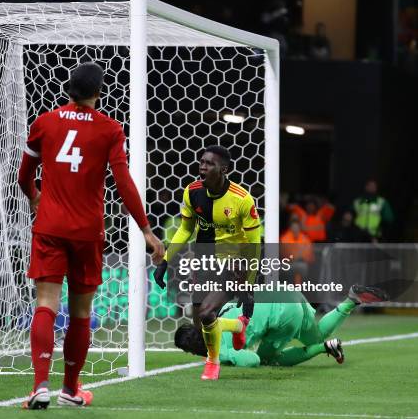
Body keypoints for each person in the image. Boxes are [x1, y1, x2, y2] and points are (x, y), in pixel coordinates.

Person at [17, 62, 164, 409]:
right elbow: (124, 183)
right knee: (81, 311)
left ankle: (40, 385)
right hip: (87, 232)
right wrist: (146, 230)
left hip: (50, 228)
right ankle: (70, 389)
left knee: (46, 303)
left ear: (69, 89)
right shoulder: (109, 130)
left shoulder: (45, 122)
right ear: (99, 92)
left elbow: (24, 176)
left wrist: (37, 198)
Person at [152, 145, 261, 380]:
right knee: (201, 322)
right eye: (201, 161)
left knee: (207, 312)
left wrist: (248, 284)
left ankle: (212, 363)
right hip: (204, 259)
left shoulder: (242, 199)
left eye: (209, 163)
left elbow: (254, 245)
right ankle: (237, 326)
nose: (202, 166)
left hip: (234, 263)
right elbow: (185, 229)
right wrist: (165, 261)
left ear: (224, 169)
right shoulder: (192, 192)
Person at [175, 285, 389, 368]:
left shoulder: (217, 347)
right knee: (317, 336)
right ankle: (351, 300)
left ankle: (326, 348)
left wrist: (226, 358)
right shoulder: (220, 313)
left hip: (282, 312)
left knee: (268, 358)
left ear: (191, 350)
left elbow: (253, 360)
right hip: (287, 292)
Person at [280, 219, 314, 284]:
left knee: (301, 267)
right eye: (293, 227)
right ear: (290, 228)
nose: (295, 229)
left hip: (302, 263)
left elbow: (308, 252)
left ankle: (298, 290)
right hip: (287, 264)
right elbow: (286, 254)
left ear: (299, 228)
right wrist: (297, 255)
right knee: (300, 267)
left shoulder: (304, 238)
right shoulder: (285, 238)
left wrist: (299, 256)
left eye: (297, 227)